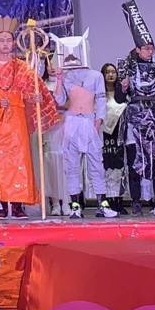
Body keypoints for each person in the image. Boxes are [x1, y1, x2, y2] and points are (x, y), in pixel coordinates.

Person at [0, 15, 45, 219]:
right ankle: (2, 205)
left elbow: (31, 91)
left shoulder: (23, 67)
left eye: (8, 40)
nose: (5, 44)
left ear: (13, 43)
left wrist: (36, 97)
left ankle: (18, 205)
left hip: (17, 121)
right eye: (1, 40)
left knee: (19, 161)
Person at [115, 0, 155, 217]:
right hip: (135, 119)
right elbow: (119, 98)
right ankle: (136, 202)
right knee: (134, 160)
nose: (149, 51)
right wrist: (123, 87)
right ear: (138, 49)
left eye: (152, 48)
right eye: (146, 48)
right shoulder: (128, 69)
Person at [49, 34, 118, 219]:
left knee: (96, 165)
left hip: (89, 122)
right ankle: (75, 206)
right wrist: (59, 80)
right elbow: (60, 100)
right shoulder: (66, 76)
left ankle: (103, 204)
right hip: (72, 123)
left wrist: (98, 121)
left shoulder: (96, 76)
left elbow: (101, 99)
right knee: (71, 166)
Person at [38, 55, 68, 216]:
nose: (51, 67)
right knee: (50, 165)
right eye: (48, 64)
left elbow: (71, 103)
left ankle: (68, 201)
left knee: (65, 164)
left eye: (54, 64)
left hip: (65, 125)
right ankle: (55, 203)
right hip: (49, 127)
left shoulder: (67, 83)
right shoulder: (41, 85)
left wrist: (60, 107)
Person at [101, 63, 127, 214]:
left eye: (113, 72)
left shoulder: (122, 92)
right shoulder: (99, 93)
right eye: (107, 72)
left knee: (120, 167)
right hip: (103, 133)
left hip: (119, 133)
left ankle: (119, 200)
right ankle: (107, 200)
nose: (110, 75)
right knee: (105, 167)